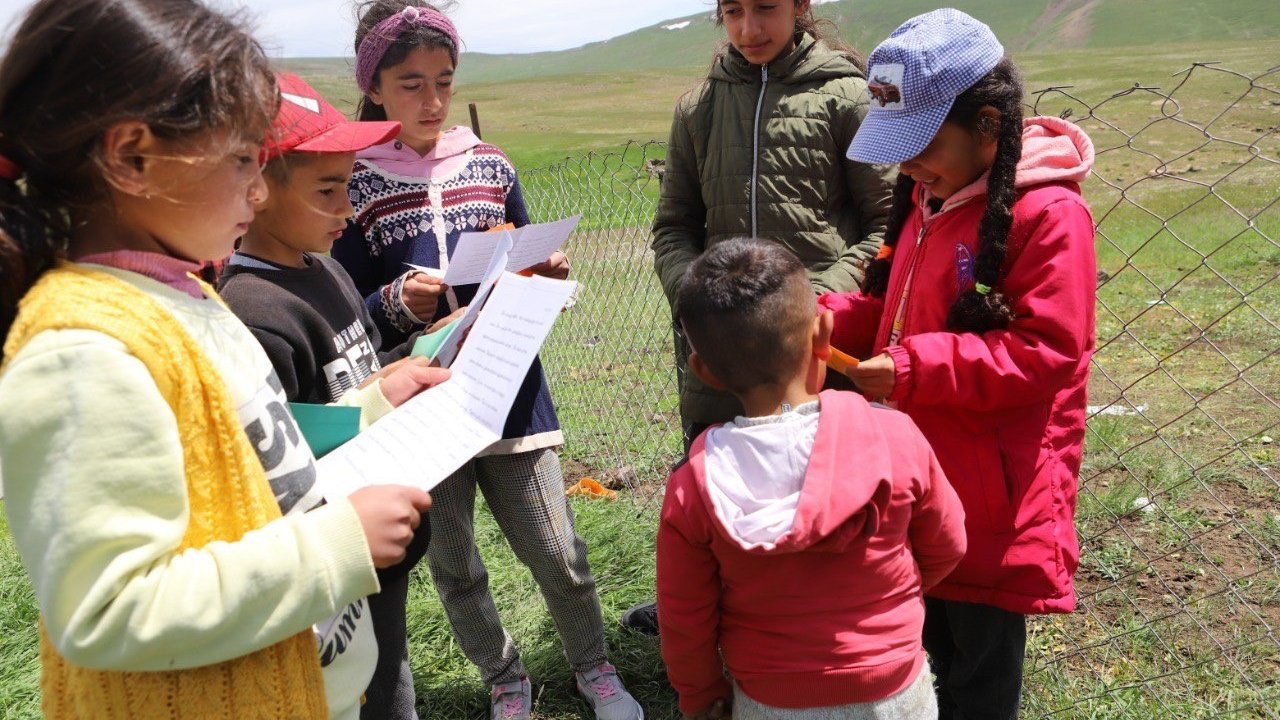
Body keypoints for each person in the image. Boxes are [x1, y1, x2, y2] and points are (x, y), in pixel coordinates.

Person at [0, 1, 446, 718]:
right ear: (132, 156)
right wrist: (334, 546)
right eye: (242, 158)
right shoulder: (82, 354)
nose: (259, 187)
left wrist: (373, 404)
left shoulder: (185, 297)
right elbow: (111, 609)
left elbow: (253, 450)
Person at [332, 3, 642, 719]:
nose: (433, 101)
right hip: (417, 406)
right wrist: (395, 301)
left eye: (444, 80)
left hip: (509, 389)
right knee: (454, 563)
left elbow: (528, 252)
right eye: (411, 84)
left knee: (556, 548)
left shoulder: (490, 164)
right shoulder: (356, 184)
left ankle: (592, 666)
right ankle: (505, 678)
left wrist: (550, 275)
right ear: (374, 88)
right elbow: (348, 310)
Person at [818, 9, 1097, 719]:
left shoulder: (1048, 216)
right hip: (921, 481)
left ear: (990, 126)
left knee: (977, 675)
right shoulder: (928, 196)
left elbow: (1046, 353)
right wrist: (818, 319)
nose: (905, 164)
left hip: (990, 504)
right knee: (923, 649)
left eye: (920, 143)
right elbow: (894, 310)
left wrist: (912, 369)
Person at [218, 72, 450, 720]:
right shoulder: (253, 311)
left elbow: (370, 366)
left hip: (382, 540)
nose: (347, 209)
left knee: (390, 669)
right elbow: (283, 465)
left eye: (348, 185)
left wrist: (436, 345)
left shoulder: (327, 268)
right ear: (257, 191)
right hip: (333, 560)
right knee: (370, 693)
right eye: (328, 189)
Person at [656, 238, 966, 720]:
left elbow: (684, 618)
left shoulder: (694, 483)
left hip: (770, 699)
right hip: (894, 688)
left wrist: (701, 696)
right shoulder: (896, 437)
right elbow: (947, 544)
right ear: (824, 332)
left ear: (704, 372)